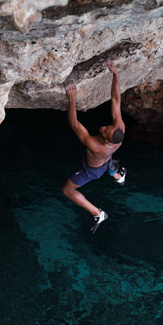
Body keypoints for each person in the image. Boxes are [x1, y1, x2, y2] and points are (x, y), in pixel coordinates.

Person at [61, 60, 127, 233]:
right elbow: (116, 99)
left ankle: (98, 213)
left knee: (67, 190)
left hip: (91, 170)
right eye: (107, 126)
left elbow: (74, 124)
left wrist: (72, 99)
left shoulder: (95, 145)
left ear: (106, 141)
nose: (104, 127)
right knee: (108, 162)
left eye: (104, 131)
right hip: (106, 159)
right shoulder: (118, 132)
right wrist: (115, 74)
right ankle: (118, 177)